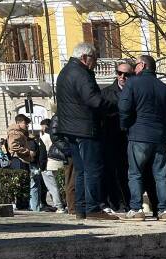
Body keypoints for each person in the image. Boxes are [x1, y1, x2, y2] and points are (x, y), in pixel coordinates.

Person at [56, 42, 115, 220]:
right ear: (84, 58)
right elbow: (94, 100)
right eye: (94, 59)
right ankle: (93, 207)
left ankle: (80, 208)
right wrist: (114, 106)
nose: (95, 63)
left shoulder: (64, 72)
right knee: (93, 169)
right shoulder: (81, 73)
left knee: (81, 170)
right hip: (86, 128)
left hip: (70, 129)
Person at [118, 54, 166, 221]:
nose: (134, 68)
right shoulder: (164, 88)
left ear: (142, 65)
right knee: (161, 174)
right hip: (159, 137)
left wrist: (125, 125)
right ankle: (164, 210)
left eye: (135, 65)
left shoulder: (133, 83)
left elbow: (124, 107)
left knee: (135, 173)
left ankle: (136, 209)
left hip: (138, 134)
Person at [100, 59, 133, 214]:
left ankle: (130, 203)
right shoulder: (106, 94)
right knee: (114, 173)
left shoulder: (136, 91)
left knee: (130, 174)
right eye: (119, 73)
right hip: (112, 140)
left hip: (130, 139)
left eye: (126, 74)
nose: (122, 77)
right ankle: (118, 203)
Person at [6, 114, 40, 211]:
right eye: (25, 123)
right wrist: (28, 152)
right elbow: (13, 146)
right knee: (22, 183)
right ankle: (22, 205)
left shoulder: (21, 132)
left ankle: (23, 204)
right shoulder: (15, 132)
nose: (27, 125)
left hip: (23, 160)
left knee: (24, 183)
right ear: (18, 123)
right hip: (19, 160)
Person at [39, 119, 64, 211]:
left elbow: (42, 154)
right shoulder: (58, 135)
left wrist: (41, 167)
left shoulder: (44, 137)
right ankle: (67, 204)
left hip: (49, 164)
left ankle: (59, 206)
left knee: (53, 187)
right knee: (61, 185)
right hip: (60, 162)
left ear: (45, 126)